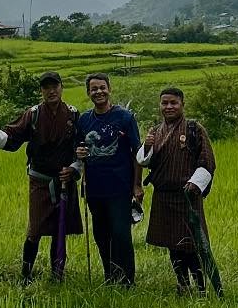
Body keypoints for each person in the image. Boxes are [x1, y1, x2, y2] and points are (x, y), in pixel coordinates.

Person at [0, 72, 82, 281]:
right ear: (41, 91)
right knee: (35, 230)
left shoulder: (73, 115)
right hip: (40, 181)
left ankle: (57, 275)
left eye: (54, 86)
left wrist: (74, 169)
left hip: (64, 181)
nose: (51, 91)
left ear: (61, 88)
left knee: (60, 229)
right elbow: (12, 137)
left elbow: (80, 147)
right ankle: (26, 274)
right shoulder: (34, 114)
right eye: (46, 87)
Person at [140, 85, 217, 291]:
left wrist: (195, 184)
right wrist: (147, 146)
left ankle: (201, 287)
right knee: (172, 245)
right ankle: (182, 284)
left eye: (173, 103)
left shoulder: (194, 129)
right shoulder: (155, 132)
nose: (169, 107)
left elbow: (207, 160)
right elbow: (144, 161)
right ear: (160, 105)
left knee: (191, 246)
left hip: (187, 196)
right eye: (165, 103)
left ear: (182, 104)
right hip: (163, 197)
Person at [74, 73, 142, 284]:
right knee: (101, 235)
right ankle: (109, 275)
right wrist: (80, 154)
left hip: (120, 187)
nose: (98, 92)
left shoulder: (124, 117)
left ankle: (127, 280)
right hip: (94, 188)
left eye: (102, 87)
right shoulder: (84, 119)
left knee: (121, 234)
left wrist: (137, 185)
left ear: (109, 89)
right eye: (94, 89)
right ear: (88, 93)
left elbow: (137, 153)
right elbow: (79, 148)